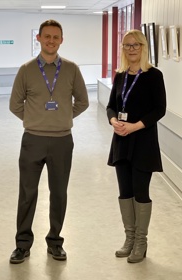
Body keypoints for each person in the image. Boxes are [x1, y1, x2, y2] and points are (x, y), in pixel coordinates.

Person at [9, 19, 89, 264]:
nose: (51, 41)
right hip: (32, 140)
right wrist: (36, 119)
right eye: (47, 36)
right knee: (27, 193)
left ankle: (55, 241)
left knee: (59, 193)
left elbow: (83, 102)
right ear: (39, 39)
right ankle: (22, 244)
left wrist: (63, 117)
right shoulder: (26, 69)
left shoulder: (72, 69)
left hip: (62, 142)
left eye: (56, 37)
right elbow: (15, 105)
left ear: (61, 40)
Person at [106, 29, 166, 263]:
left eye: (135, 45)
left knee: (141, 192)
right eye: (127, 45)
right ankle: (129, 239)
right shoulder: (120, 76)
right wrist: (113, 121)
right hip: (121, 141)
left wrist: (134, 126)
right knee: (125, 192)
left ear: (143, 47)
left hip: (143, 142)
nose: (131, 49)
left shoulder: (154, 75)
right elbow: (111, 106)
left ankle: (141, 242)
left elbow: (159, 109)